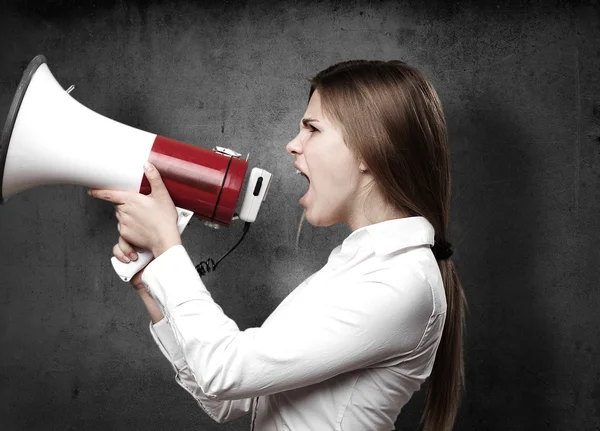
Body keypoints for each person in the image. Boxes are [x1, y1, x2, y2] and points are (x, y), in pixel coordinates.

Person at [88, 60, 466, 431]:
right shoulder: (360, 267)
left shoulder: (400, 282)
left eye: (312, 129)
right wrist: (150, 280)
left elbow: (224, 372)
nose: (292, 145)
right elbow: (226, 399)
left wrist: (167, 245)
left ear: (370, 148)